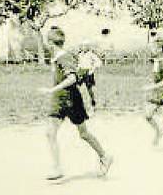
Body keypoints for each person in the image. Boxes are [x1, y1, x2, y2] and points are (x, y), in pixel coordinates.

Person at [38, 26, 113, 181]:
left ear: (50, 43)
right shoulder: (58, 57)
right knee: (51, 133)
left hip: (70, 100)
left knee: (83, 133)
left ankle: (105, 156)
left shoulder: (63, 57)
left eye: (47, 42)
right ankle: (57, 168)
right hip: (61, 100)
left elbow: (72, 78)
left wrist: (52, 90)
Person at [74, 41, 102, 114]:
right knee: (76, 87)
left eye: (86, 46)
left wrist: (92, 69)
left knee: (89, 90)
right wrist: (77, 69)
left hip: (88, 72)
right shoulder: (80, 54)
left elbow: (99, 62)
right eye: (83, 46)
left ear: (88, 47)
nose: (84, 48)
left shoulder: (91, 54)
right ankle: (78, 105)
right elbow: (78, 63)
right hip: (80, 72)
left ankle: (93, 104)